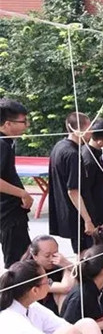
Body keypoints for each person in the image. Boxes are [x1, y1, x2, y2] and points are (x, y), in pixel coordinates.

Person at [48, 112, 95, 255]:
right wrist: (87, 219)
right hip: (76, 213)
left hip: (68, 210)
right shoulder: (72, 154)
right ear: (77, 130)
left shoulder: (59, 146)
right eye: (89, 128)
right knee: (86, 254)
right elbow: (73, 190)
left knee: (81, 252)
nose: (91, 132)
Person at [0, 98, 33, 268]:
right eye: (23, 122)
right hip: (8, 214)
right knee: (18, 264)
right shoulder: (2, 144)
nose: (26, 126)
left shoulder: (8, 142)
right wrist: (23, 193)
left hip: (13, 212)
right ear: (7, 124)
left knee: (24, 258)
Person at [22, 235, 75, 315]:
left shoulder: (57, 265)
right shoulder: (28, 272)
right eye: (47, 256)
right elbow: (65, 287)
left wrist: (67, 264)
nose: (52, 259)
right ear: (34, 256)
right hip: (33, 310)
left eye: (55, 254)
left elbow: (80, 274)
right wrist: (66, 265)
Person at [82, 119, 103, 227]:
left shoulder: (95, 153)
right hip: (96, 208)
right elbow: (86, 189)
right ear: (100, 141)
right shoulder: (89, 160)